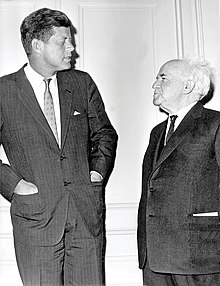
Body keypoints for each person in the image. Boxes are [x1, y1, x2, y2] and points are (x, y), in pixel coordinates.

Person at [0, 7, 117, 286]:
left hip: (85, 216)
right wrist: (14, 185)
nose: (71, 47)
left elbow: (104, 134)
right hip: (36, 218)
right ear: (37, 46)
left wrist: (96, 174)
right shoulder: (4, 91)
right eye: (62, 41)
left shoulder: (81, 83)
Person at [137, 57, 220, 286]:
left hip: (200, 256)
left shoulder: (215, 124)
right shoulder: (157, 132)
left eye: (163, 78)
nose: (154, 85)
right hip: (155, 258)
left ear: (188, 86)